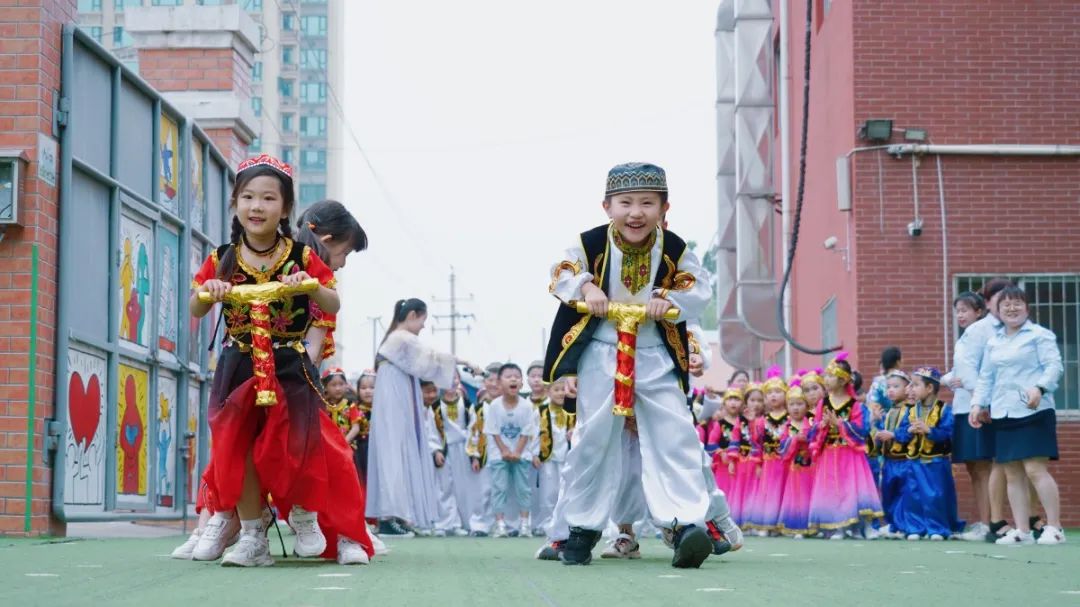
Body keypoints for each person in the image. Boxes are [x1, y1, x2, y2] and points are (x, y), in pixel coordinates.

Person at [189, 154, 372, 566]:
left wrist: (308, 285)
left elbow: (331, 300)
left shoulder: (302, 259)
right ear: (235, 202)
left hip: (289, 365)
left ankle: (310, 518)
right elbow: (196, 307)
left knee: (300, 442)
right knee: (237, 447)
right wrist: (209, 291)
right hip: (238, 365)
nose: (257, 206)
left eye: (269, 198)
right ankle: (246, 532)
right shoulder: (223, 257)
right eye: (248, 197)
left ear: (286, 207)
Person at [543, 162, 714, 568]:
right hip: (602, 351)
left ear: (663, 207)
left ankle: (686, 523)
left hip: (655, 352)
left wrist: (668, 300)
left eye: (646, 203)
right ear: (607, 206)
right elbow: (560, 273)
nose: (635, 212)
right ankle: (581, 528)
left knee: (675, 434)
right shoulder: (588, 245)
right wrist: (586, 286)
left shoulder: (674, 249)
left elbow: (697, 285)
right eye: (626, 203)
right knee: (594, 437)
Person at [366, 298, 476, 537]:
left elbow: (430, 359)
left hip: (397, 395)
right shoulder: (402, 338)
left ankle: (398, 515)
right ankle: (388, 517)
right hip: (394, 398)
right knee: (394, 453)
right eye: (423, 320)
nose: (423, 326)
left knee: (398, 452)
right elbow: (433, 358)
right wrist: (465, 362)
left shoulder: (397, 339)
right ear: (414, 314)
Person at [970, 286, 1065, 545]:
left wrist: (1040, 387)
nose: (1011, 308)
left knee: (1035, 469)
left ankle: (1054, 527)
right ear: (997, 311)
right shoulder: (994, 341)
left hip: (1035, 409)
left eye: (1017, 303)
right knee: (1012, 472)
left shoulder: (1040, 335)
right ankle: (1022, 531)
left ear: (1027, 308)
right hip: (1004, 411)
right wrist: (978, 404)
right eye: (1005, 305)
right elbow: (986, 377)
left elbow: (1054, 366)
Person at [806, 353, 883, 539]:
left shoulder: (854, 405)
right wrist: (823, 426)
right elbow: (813, 431)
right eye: (826, 375)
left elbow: (862, 431)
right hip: (829, 454)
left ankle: (859, 526)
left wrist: (839, 424)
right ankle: (837, 527)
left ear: (842, 380)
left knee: (852, 489)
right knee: (833, 489)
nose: (827, 379)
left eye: (831, 376)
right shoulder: (822, 404)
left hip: (849, 454)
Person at [943, 291, 998, 541]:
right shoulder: (967, 336)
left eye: (965, 310)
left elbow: (981, 371)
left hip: (977, 407)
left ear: (979, 311)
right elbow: (960, 370)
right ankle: (984, 522)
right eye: (958, 310)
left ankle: (990, 523)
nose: (960, 315)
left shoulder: (983, 331)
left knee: (984, 467)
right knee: (974, 468)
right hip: (963, 408)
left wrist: (980, 401)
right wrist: (947, 379)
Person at [894, 368, 961, 540]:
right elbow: (900, 435)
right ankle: (915, 528)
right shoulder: (910, 411)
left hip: (935, 463)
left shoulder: (944, 410)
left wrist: (929, 430)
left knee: (935, 497)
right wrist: (909, 430)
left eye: (916, 385)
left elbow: (948, 436)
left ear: (930, 388)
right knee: (913, 496)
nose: (911, 389)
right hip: (913, 463)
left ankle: (937, 528)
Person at [484, 364, 540, 537]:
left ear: (521, 383)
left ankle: (524, 524)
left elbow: (527, 431)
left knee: (523, 489)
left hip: (521, 454)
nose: (513, 379)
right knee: (499, 488)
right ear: (500, 383)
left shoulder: (526, 406)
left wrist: (517, 451)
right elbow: (493, 430)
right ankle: (500, 524)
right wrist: (504, 451)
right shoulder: (494, 405)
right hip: (498, 454)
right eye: (508, 376)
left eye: (517, 376)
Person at [427, 376, 474, 537]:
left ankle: (463, 522)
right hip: (444, 450)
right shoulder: (435, 407)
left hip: (464, 449)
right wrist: (436, 450)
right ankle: (444, 523)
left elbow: (474, 429)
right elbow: (431, 430)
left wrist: (473, 453)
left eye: (455, 378)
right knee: (444, 487)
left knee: (464, 487)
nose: (451, 382)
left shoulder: (467, 404)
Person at [873, 370, 914, 539]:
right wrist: (877, 424)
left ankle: (903, 525)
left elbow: (909, 432)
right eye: (888, 387)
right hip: (889, 461)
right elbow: (883, 431)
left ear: (907, 388)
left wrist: (893, 435)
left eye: (896, 386)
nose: (891, 390)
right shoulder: (889, 411)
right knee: (889, 492)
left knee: (904, 494)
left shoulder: (911, 411)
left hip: (904, 460)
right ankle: (892, 525)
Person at [534, 377, 575, 537]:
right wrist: (534, 453)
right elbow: (533, 433)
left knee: (565, 491)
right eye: (556, 390)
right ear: (548, 391)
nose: (559, 393)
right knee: (548, 493)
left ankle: (565, 524)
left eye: (562, 389)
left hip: (567, 456)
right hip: (548, 457)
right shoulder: (541, 410)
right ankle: (545, 523)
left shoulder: (572, 410)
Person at [777, 386, 814, 538]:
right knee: (797, 497)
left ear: (807, 405)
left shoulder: (812, 423)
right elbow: (782, 449)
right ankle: (797, 526)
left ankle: (813, 526)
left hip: (811, 467)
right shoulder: (786, 426)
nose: (796, 408)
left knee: (811, 495)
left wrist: (809, 440)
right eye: (792, 404)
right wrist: (794, 440)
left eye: (799, 404)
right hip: (795, 469)